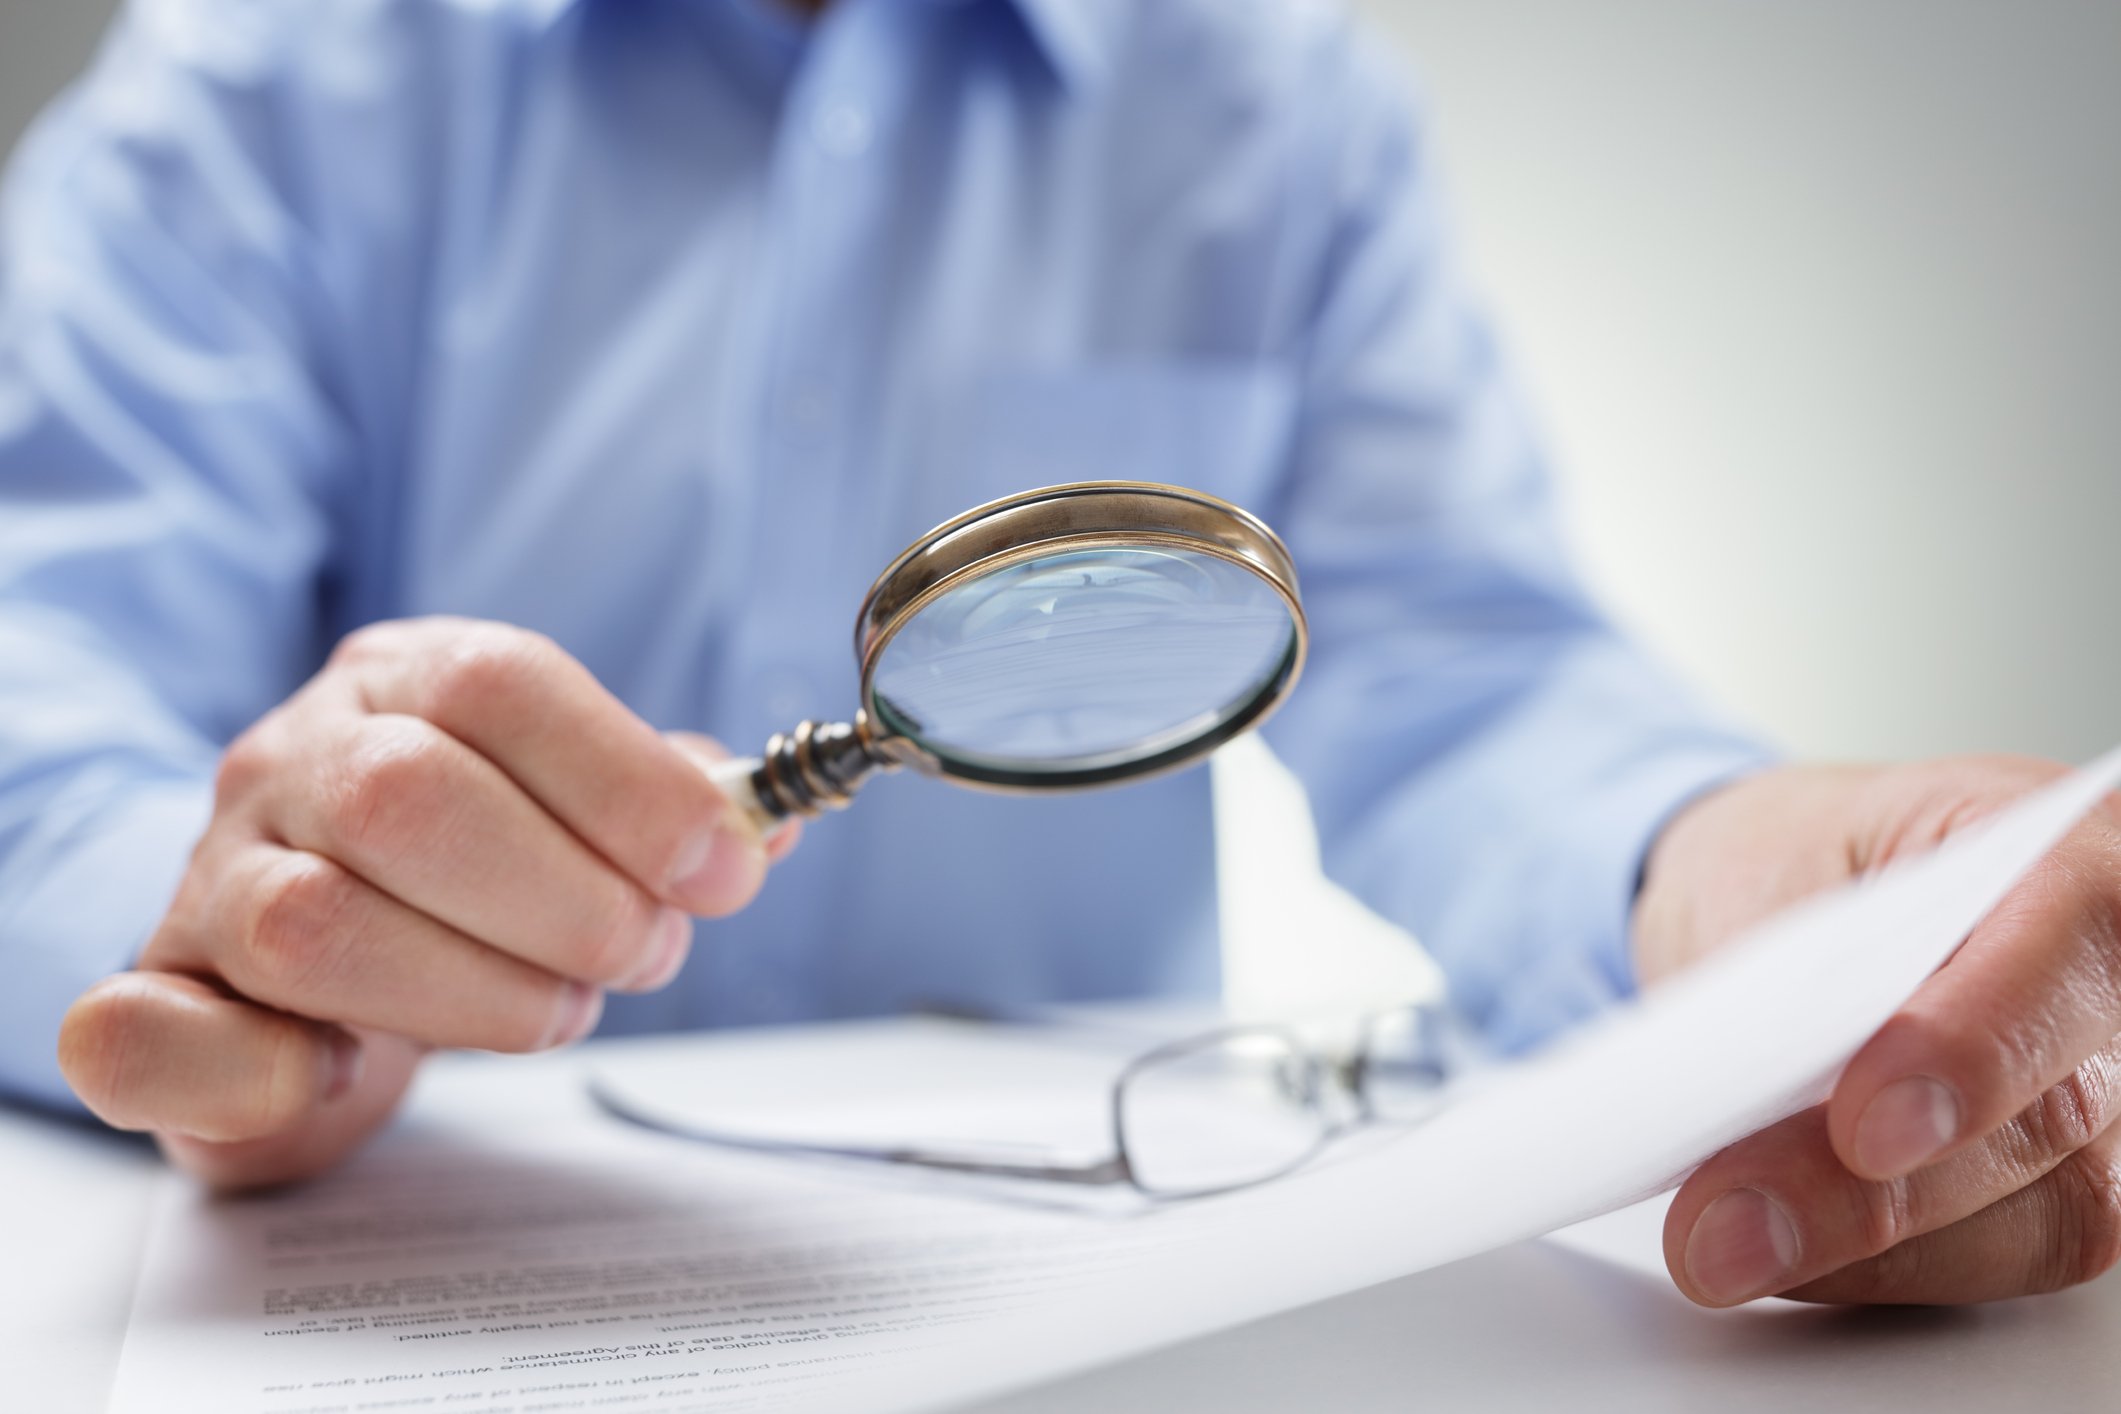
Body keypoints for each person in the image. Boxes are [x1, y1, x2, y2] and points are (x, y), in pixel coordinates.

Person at [1, 0, 2114, 1312]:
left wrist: (1739, 876)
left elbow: (1473, 673)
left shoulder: (1266, 99)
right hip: (393, 1286)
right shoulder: (264, 74)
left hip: (1083, 1302)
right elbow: (40, 686)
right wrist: (237, 934)